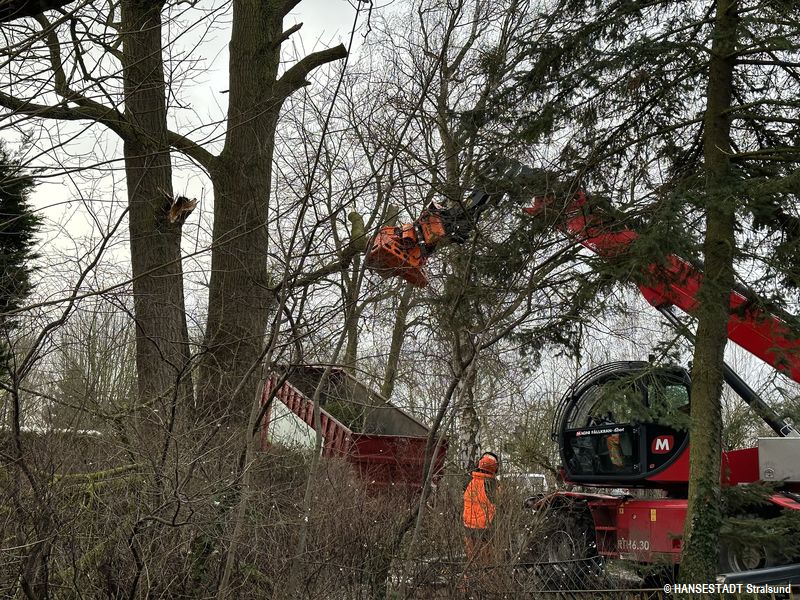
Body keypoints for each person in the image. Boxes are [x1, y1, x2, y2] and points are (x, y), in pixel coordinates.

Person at [462, 452, 500, 589]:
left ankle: (467, 587)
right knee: (487, 563)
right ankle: (485, 588)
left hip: (468, 527)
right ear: (494, 469)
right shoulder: (492, 485)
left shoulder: (469, 481)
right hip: (484, 530)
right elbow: (502, 504)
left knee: (471, 561)